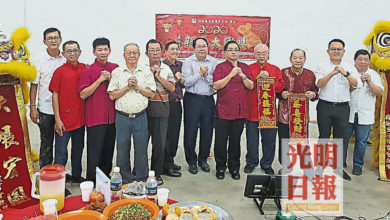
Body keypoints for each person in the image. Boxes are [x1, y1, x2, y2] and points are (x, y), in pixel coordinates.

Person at [107, 43, 156, 184]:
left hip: (141, 116)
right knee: (122, 149)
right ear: (124, 55)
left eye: (135, 52)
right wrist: (127, 87)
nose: (132, 55)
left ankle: (142, 179)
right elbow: (112, 95)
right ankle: (125, 179)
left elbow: (152, 94)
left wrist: (138, 87)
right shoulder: (117, 72)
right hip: (122, 117)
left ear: (139, 55)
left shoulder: (146, 72)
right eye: (129, 53)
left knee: (141, 149)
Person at [315, 39, 359, 181]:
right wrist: (332, 73)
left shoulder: (349, 67)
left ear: (343, 52)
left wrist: (344, 73)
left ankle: (338, 168)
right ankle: (320, 167)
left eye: (339, 49)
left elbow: (355, 83)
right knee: (323, 137)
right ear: (328, 51)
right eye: (333, 49)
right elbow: (319, 84)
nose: (336, 51)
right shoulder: (321, 66)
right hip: (325, 106)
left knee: (340, 139)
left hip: (342, 107)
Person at [78, 38, 118, 183]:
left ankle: (105, 178)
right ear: (94, 52)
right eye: (99, 50)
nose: (103, 52)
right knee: (94, 152)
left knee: (109, 150)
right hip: (95, 118)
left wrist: (112, 77)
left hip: (112, 117)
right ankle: (92, 180)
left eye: (105, 49)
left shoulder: (115, 68)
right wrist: (100, 80)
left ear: (110, 51)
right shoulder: (88, 71)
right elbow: (83, 94)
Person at [213, 41, 254, 180]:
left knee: (235, 141)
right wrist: (231, 75)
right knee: (220, 141)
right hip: (223, 110)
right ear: (225, 53)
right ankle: (220, 168)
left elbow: (250, 86)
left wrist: (242, 76)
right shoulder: (220, 67)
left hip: (239, 111)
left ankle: (234, 168)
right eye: (230, 50)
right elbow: (216, 86)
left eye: (236, 49)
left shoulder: (245, 67)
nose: (233, 52)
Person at [244, 43, 285, 175]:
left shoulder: (275, 69)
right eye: (258, 53)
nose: (261, 56)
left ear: (268, 55)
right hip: (252, 111)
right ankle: (251, 162)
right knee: (252, 140)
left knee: (269, 141)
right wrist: (257, 79)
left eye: (264, 53)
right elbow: (245, 86)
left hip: (269, 112)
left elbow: (280, 88)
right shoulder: (248, 68)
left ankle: (267, 163)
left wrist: (270, 79)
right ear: (254, 55)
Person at [49, 40, 86, 183]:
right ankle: (57, 181)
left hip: (81, 119)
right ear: (64, 54)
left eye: (75, 50)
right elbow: (55, 95)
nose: (73, 53)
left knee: (78, 150)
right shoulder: (59, 72)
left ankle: (76, 176)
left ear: (80, 52)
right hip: (64, 120)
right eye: (69, 51)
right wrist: (57, 119)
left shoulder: (84, 68)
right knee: (61, 153)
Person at [343, 49, 383, 176]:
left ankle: (357, 165)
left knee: (361, 141)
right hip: (348, 112)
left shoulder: (374, 75)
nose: (363, 62)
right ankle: (341, 163)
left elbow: (380, 93)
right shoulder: (349, 72)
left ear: (369, 61)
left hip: (365, 114)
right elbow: (343, 90)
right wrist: (355, 82)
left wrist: (369, 82)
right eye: (360, 59)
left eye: (366, 59)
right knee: (343, 139)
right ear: (355, 60)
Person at [30, 28, 66, 169]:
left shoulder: (65, 59)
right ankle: (44, 173)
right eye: (50, 38)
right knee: (46, 143)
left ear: (60, 40)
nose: (53, 41)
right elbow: (34, 86)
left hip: (63, 109)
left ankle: (59, 171)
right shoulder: (38, 60)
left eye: (56, 38)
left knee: (62, 144)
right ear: (44, 41)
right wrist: (33, 107)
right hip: (45, 109)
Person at [278, 49, 318, 173]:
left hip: (301, 114)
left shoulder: (310, 74)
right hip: (285, 113)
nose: (298, 60)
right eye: (295, 58)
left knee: (302, 140)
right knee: (284, 141)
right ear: (290, 59)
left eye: (301, 58)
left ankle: (305, 166)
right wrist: (281, 93)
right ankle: (285, 165)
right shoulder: (283, 72)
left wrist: (313, 95)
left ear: (305, 60)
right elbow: (276, 90)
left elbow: (315, 92)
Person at [182, 37, 217, 174]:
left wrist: (206, 75)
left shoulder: (213, 62)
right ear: (194, 48)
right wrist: (199, 74)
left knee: (207, 131)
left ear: (208, 47)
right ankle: (191, 161)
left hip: (208, 100)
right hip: (192, 99)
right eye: (199, 46)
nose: (202, 48)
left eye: (204, 46)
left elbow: (215, 82)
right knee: (190, 131)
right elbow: (186, 82)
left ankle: (203, 159)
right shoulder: (188, 61)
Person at [145, 39, 175, 185]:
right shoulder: (141, 68)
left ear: (161, 52)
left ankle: (156, 173)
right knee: (141, 144)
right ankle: (140, 171)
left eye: (157, 50)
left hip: (161, 111)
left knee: (159, 144)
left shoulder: (167, 69)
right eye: (152, 50)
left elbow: (172, 88)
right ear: (146, 53)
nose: (155, 53)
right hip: (142, 111)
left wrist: (158, 76)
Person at [162, 41, 184, 178]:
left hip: (177, 103)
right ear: (166, 51)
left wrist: (181, 80)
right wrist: (174, 80)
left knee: (175, 134)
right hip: (165, 103)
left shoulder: (181, 65)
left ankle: (170, 160)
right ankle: (165, 165)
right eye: (172, 49)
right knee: (166, 135)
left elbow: (185, 84)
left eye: (177, 49)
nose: (175, 51)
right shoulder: (162, 66)